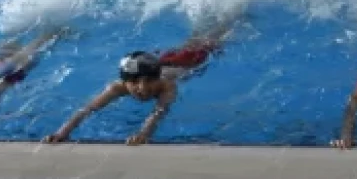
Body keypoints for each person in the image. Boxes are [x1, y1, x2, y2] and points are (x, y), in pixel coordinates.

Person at [42, 17, 238, 146]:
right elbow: (87, 109)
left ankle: (232, 18)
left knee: (211, 41)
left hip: (192, 61)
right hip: (165, 60)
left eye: (148, 81)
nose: (142, 88)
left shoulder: (167, 86)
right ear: (125, 82)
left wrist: (144, 134)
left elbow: (159, 112)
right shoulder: (117, 87)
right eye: (135, 82)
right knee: (195, 39)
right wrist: (62, 133)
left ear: (156, 78)